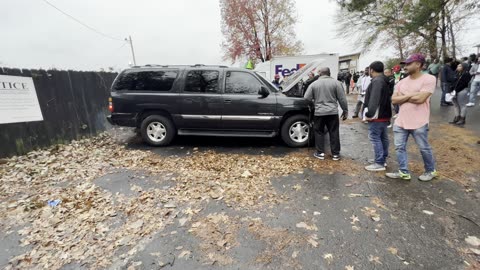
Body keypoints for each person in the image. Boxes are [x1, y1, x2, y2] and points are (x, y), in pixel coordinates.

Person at [386, 53, 438, 181]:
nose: (405, 66)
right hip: (401, 121)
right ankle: (403, 171)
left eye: (409, 64)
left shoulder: (429, 79)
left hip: (419, 122)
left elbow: (421, 99)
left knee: (424, 148)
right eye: (405, 64)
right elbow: (393, 100)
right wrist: (410, 95)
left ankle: (430, 171)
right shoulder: (402, 82)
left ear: (418, 65)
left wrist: (403, 96)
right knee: (399, 147)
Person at [304, 67, 348, 161]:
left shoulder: (314, 84)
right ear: (329, 73)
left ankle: (320, 153)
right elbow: (342, 99)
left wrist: (313, 103)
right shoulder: (337, 83)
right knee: (334, 131)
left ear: (320, 74)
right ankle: (335, 154)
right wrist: (345, 110)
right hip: (332, 112)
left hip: (319, 112)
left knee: (319, 131)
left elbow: (306, 98)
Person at [364, 61, 393, 172]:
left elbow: (374, 99)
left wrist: (369, 114)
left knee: (375, 138)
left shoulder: (377, 81)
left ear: (372, 70)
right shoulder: (384, 80)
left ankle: (379, 162)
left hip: (377, 115)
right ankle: (382, 159)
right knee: (383, 138)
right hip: (385, 114)